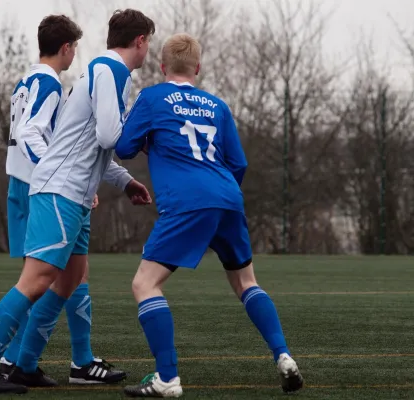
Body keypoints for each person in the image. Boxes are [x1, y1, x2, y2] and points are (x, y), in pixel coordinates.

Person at [0, 9, 154, 395]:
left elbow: (89, 145)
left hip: (74, 194)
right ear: (141, 41)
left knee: (69, 281)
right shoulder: (109, 70)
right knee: (35, 281)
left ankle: (25, 366)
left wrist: (125, 180)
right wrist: (146, 120)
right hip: (58, 192)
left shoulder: (105, 72)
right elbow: (108, 135)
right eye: (149, 41)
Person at [115, 33, 304, 398]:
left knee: (144, 284)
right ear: (198, 68)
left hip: (187, 201)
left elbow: (123, 147)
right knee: (246, 282)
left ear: (161, 66)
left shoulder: (153, 97)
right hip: (228, 197)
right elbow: (239, 162)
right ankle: (283, 356)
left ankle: (167, 379)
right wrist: (219, 196)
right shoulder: (217, 104)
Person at [0, 14, 124, 389]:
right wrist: (52, 174)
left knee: (69, 274)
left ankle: (76, 362)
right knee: (38, 279)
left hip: (19, 184)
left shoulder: (26, 80)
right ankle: (9, 361)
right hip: (38, 186)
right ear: (66, 48)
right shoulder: (51, 82)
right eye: (75, 48)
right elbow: (30, 132)